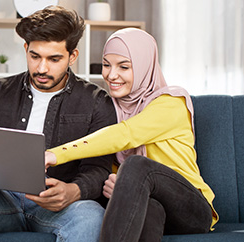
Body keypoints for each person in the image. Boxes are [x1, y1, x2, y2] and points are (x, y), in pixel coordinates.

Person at [0, 5, 117, 242]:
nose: (42, 68)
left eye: (54, 59)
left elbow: (98, 169)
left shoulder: (97, 102)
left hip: (58, 207)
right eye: (35, 56)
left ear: (73, 56)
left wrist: (74, 191)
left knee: (92, 216)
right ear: (25, 49)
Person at [45, 27, 218, 241]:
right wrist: (124, 187)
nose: (111, 75)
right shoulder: (112, 110)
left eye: (124, 67)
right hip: (151, 208)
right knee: (149, 207)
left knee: (136, 165)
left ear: (145, 66)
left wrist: (55, 154)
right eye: (106, 65)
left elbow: (125, 135)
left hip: (192, 210)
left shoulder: (172, 103)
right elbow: (104, 162)